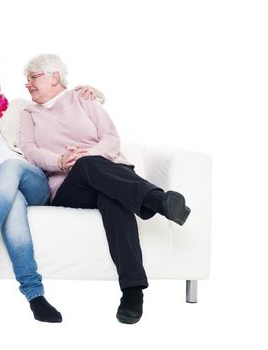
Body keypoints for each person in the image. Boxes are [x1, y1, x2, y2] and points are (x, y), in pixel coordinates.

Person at [19, 54, 191, 325]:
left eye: (33, 77)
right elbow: (30, 151)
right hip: (69, 186)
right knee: (87, 167)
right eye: (26, 79)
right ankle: (157, 200)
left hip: (110, 173)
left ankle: (132, 292)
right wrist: (60, 161)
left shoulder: (83, 98)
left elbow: (111, 138)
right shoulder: (29, 113)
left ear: (55, 77)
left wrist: (91, 154)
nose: (27, 84)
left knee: (113, 197)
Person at [0, 56, 104, 323]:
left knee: (11, 165)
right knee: (12, 200)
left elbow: (61, 105)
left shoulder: (22, 107)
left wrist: (92, 92)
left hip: (29, 177)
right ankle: (35, 295)